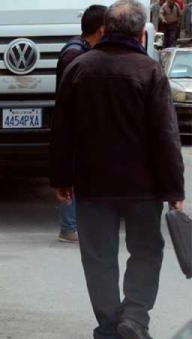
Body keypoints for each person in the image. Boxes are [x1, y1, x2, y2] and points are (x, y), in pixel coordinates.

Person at [51, 1, 185, 338]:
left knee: (98, 258)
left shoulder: (79, 69)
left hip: (93, 186)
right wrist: (174, 191)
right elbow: (166, 136)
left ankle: (110, 326)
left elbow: (61, 131)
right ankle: (135, 318)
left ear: (106, 29)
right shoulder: (149, 71)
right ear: (141, 33)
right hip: (143, 187)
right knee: (146, 251)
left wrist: (61, 178)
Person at [54, 4, 107, 244]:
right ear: (102, 29)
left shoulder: (77, 49)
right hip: (76, 127)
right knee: (73, 176)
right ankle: (69, 227)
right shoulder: (75, 54)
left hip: (78, 125)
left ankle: (74, 225)